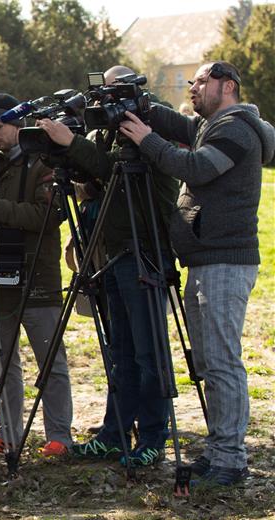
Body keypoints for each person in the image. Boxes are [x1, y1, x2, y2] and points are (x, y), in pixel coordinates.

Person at [118, 60, 275, 487]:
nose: (193, 87)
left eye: (201, 81)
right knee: (208, 363)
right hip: (206, 259)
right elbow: (183, 128)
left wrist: (148, 140)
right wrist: (141, 104)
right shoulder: (214, 124)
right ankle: (220, 448)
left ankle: (230, 459)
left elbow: (196, 167)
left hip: (226, 260)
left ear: (227, 86)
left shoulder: (237, 129)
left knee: (223, 363)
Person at [38, 65, 179, 468]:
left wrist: (72, 142)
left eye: (115, 92)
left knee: (149, 352)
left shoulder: (150, 123)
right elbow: (100, 174)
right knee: (121, 351)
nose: (107, 101)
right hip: (113, 251)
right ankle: (115, 433)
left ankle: (153, 436)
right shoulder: (105, 128)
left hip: (145, 249)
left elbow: (114, 167)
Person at [0, 93, 73, 457]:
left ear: (16, 124)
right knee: (3, 364)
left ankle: (59, 436)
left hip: (37, 279)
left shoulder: (42, 161)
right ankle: (7, 432)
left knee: (50, 363)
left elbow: (46, 216)